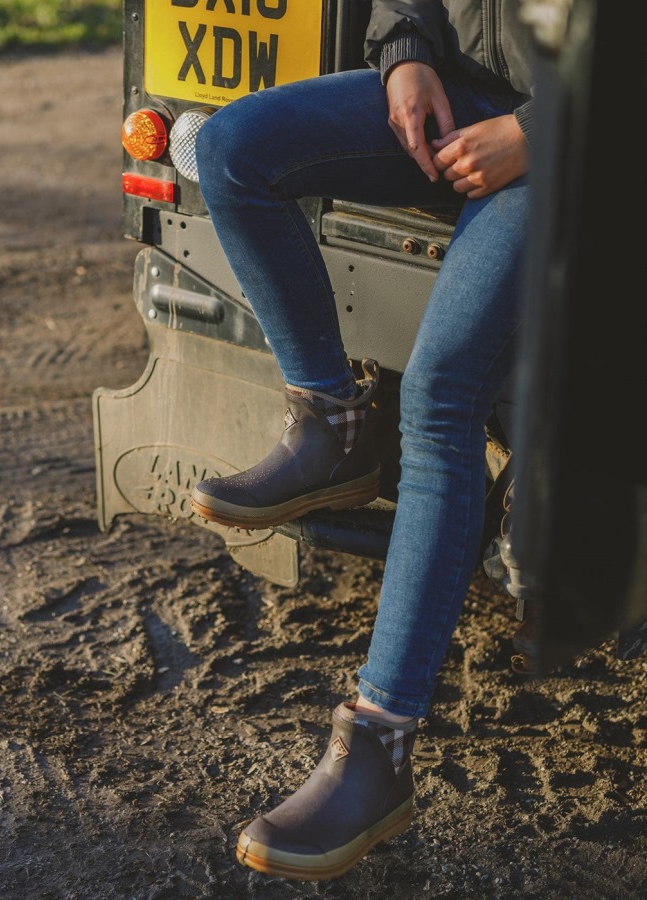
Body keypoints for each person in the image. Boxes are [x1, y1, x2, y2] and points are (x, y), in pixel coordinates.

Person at [190, 0, 534, 883]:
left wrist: (541, 133)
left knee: (439, 394)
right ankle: (333, 421)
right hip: (464, 93)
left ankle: (379, 750)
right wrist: (407, 51)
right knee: (231, 148)